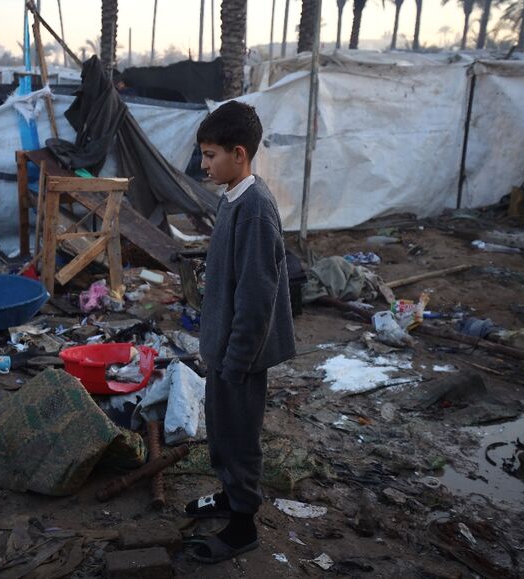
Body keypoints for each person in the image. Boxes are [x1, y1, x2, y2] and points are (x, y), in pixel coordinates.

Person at [183, 101, 296, 564]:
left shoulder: (254, 209)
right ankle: (230, 497)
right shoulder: (234, 197)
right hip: (224, 349)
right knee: (222, 433)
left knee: (240, 436)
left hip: (241, 355)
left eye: (210, 156)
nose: (204, 165)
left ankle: (243, 525)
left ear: (239, 153)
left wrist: (236, 361)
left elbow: (256, 295)